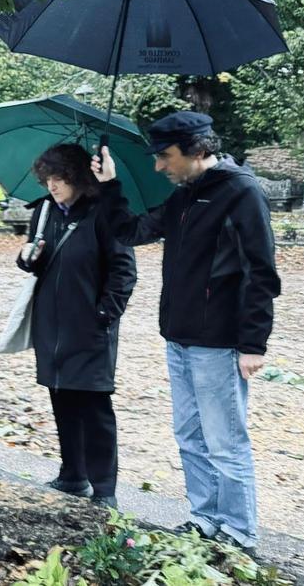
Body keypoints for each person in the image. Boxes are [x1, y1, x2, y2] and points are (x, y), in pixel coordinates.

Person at [92, 111, 281, 556]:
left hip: (219, 341)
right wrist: (109, 185)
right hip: (178, 337)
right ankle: (205, 519)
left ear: (196, 151)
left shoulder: (241, 192)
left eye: (165, 156)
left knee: (225, 441)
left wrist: (253, 343)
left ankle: (239, 533)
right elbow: (131, 231)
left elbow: (261, 272)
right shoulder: (184, 195)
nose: (159, 166)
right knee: (190, 436)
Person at [16, 143, 137, 509]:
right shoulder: (45, 211)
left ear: (79, 178)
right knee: (62, 398)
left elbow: (124, 272)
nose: (52, 186)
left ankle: (104, 489)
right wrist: (27, 258)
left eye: (60, 178)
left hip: (90, 326)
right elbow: (36, 258)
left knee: (94, 407)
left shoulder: (104, 212)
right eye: (47, 179)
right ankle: (72, 475)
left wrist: (103, 316)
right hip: (52, 325)